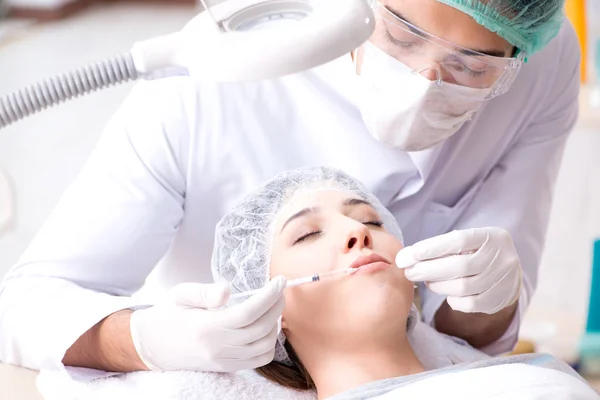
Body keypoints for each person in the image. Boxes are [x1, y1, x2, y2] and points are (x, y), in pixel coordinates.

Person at [0, 0, 578, 379]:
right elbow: (23, 308)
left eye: (473, 69)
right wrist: (147, 339)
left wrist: (492, 295)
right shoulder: (213, 76)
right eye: (400, 36)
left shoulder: (544, 62)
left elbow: (482, 331)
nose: (424, 84)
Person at [209, 166, 598, 400]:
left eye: (373, 221)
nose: (357, 230)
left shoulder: (527, 379)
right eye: (307, 234)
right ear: (269, 310)